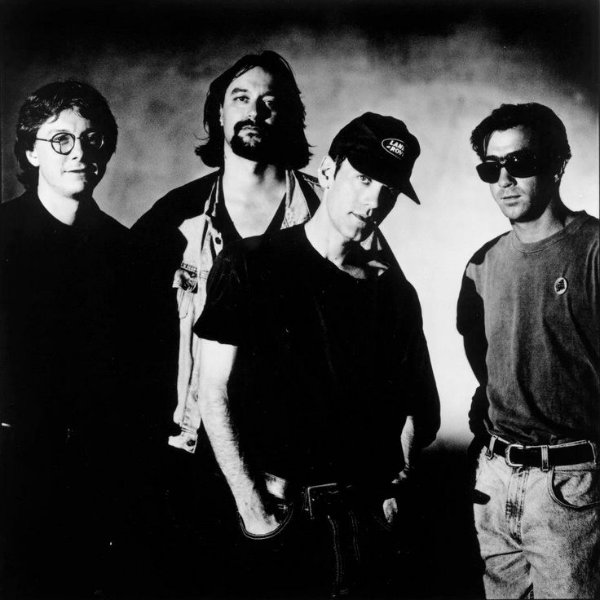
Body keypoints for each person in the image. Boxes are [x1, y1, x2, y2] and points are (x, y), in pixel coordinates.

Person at [195, 112, 441, 598]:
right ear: (328, 172)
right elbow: (212, 391)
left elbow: (418, 406)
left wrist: (397, 485)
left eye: (388, 189)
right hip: (277, 516)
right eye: (363, 179)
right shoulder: (250, 264)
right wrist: (252, 507)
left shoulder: (394, 292)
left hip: (363, 523)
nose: (373, 201)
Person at [131, 50, 320, 596]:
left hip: (300, 459)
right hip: (197, 456)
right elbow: (130, 336)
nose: (254, 112)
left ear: (289, 116)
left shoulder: (327, 211)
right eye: (241, 98)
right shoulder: (176, 216)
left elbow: (384, 326)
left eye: (270, 102)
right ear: (218, 113)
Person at [457, 102, 599, 599]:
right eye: (490, 168)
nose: (505, 180)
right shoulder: (482, 266)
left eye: (519, 163)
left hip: (572, 489)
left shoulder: (593, 251)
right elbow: (486, 369)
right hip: (495, 485)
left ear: (558, 164)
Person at [0, 80, 130, 598]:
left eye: (92, 139)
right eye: (61, 140)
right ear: (32, 152)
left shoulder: (127, 251)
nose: (79, 153)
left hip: (97, 475)